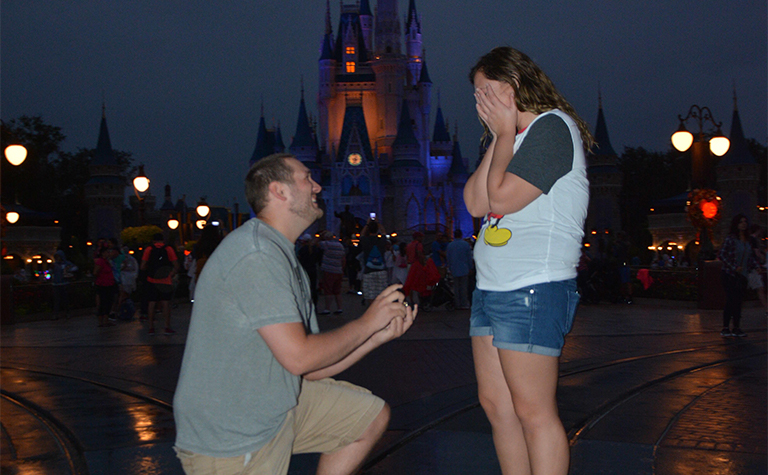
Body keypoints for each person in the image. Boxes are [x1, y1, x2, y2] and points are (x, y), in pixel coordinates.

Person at [173, 153, 417, 475]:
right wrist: (366, 322)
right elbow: (300, 358)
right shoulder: (256, 255)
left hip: (273, 405)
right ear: (279, 191)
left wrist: (375, 336)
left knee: (366, 419)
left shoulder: (282, 255)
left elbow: (309, 369)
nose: (317, 186)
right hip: (233, 435)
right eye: (306, 178)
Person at [464, 46, 594, 475]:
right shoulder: (513, 138)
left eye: (489, 89)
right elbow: (476, 203)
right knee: (497, 405)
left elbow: (502, 197)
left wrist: (503, 136)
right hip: (492, 288)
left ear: (515, 84)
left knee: (533, 410)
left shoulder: (552, 127)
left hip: (533, 286)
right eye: (476, 93)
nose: (481, 100)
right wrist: (499, 136)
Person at [717, 214, 758, 337]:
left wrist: (756, 266)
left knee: (739, 301)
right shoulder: (731, 239)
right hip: (730, 274)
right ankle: (725, 327)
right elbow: (722, 255)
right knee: (731, 300)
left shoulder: (748, 240)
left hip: (743, 275)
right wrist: (734, 267)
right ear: (736, 224)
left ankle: (736, 327)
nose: (743, 224)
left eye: (745, 222)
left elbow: (750, 257)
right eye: (741, 222)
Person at [141, 233, 179, 335]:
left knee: (152, 303)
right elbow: (176, 265)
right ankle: (167, 326)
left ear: (153, 241)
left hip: (151, 280)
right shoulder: (168, 249)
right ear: (163, 240)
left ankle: (151, 327)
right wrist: (171, 274)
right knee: (166, 303)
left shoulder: (149, 249)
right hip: (165, 280)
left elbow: (143, 265)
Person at [360, 219, 388, 305]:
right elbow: (384, 233)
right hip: (381, 270)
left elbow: (361, 235)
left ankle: (372, 312)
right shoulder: (381, 240)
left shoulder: (365, 240)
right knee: (382, 294)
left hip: (369, 270)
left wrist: (367, 224)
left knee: (370, 294)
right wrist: (378, 223)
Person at [318, 230, 346, 314]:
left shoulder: (326, 244)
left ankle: (327, 308)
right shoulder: (340, 245)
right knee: (337, 290)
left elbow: (315, 243)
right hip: (338, 270)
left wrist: (320, 236)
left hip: (328, 270)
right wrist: (342, 269)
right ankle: (339, 308)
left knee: (328, 290)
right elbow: (343, 258)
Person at [445, 230, 473, 310]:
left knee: (456, 287)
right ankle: (464, 303)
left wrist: (449, 267)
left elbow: (448, 257)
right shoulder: (465, 244)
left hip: (454, 268)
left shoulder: (450, 245)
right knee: (464, 287)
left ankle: (457, 303)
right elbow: (469, 257)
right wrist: (470, 267)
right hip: (464, 268)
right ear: (461, 235)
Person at [93, 247, 118, 327]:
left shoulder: (108, 261)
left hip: (109, 284)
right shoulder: (100, 261)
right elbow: (96, 272)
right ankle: (101, 321)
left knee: (109, 302)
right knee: (103, 302)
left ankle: (106, 320)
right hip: (103, 284)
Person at [296, 233, 323, 306]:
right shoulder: (316, 249)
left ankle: (305, 303)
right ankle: (314, 304)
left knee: (304, 287)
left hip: (304, 269)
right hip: (313, 269)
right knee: (313, 287)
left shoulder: (302, 250)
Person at [51, 250, 76, 320]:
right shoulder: (55, 265)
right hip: (56, 284)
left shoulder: (66, 263)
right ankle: (56, 314)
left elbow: (75, 268)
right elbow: (50, 273)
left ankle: (67, 313)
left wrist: (68, 269)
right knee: (56, 300)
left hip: (64, 283)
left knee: (66, 299)